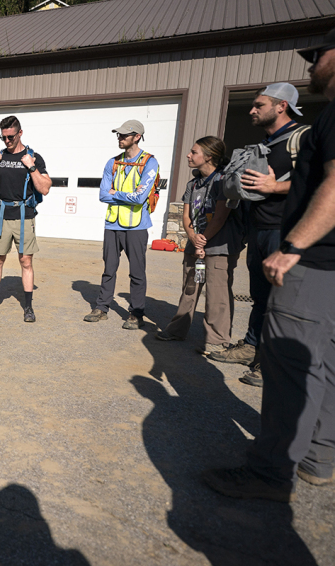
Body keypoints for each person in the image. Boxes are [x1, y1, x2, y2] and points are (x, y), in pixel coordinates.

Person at [203, 30, 335, 501]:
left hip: (312, 257)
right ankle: (318, 458)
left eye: (317, 55)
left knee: (291, 366)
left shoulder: (316, 126)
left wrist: (294, 244)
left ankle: (269, 472)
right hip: (312, 257)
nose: (311, 62)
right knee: (323, 361)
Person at [208, 83, 310, 386]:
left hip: (286, 230)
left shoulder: (302, 139)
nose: (252, 110)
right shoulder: (268, 142)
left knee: (284, 302)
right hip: (260, 229)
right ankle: (252, 347)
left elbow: (321, 183)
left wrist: (275, 187)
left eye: (259, 105)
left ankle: (273, 362)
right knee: (260, 297)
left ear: (281, 106)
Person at [156, 137, 245, 353]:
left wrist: (203, 239)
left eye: (193, 152)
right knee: (191, 288)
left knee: (217, 294)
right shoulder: (193, 184)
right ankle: (176, 330)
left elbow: (221, 216)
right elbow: (186, 216)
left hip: (219, 248)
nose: (188, 155)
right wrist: (193, 237)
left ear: (209, 157)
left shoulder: (224, 180)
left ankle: (216, 341)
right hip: (196, 248)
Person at [83, 120, 159, 330]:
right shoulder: (112, 162)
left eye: (124, 135)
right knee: (109, 269)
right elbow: (103, 195)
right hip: (112, 225)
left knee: (137, 272)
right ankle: (101, 308)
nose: (120, 138)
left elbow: (140, 197)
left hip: (136, 226)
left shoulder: (149, 162)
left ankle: (136, 314)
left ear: (137, 136)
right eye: (119, 134)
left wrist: (116, 194)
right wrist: (123, 195)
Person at [0, 116, 51, 323]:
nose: (7, 141)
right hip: (1, 216)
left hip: (24, 216)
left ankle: (28, 307)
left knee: (25, 261)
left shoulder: (33, 157)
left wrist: (32, 167)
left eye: (10, 137)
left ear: (20, 133)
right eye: (3, 137)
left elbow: (44, 188)